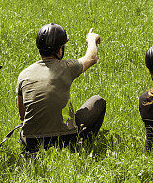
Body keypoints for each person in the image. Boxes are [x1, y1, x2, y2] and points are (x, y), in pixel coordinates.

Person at [16, 23, 106, 152]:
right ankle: (83, 145)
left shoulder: (23, 75)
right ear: (59, 50)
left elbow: (22, 115)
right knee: (98, 101)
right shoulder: (67, 67)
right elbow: (91, 58)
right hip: (65, 139)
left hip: (32, 142)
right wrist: (91, 39)